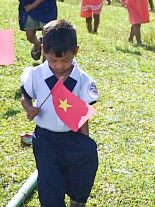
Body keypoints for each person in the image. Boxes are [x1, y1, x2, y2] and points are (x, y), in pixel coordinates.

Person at [20, 20, 99, 207]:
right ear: (44, 50)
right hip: (46, 140)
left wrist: (83, 141)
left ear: (75, 51)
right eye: (53, 60)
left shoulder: (82, 80)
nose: (59, 66)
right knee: (49, 184)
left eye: (65, 60)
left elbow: (82, 114)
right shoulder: (36, 75)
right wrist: (29, 108)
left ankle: (76, 201)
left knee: (81, 171)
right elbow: (26, 96)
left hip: (72, 136)